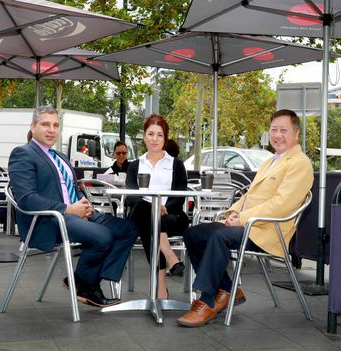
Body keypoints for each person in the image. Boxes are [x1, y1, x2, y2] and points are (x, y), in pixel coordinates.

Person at [177, 109, 313, 327]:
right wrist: (232, 213)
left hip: (268, 231)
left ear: (296, 134)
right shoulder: (271, 161)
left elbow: (282, 204)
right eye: (273, 130)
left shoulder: (300, 163)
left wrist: (243, 218)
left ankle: (208, 300)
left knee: (218, 237)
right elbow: (249, 195)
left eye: (283, 130)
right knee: (193, 234)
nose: (277, 135)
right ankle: (228, 290)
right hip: (249, 224)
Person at [8, 105, 139, 308]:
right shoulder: (23, 154)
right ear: (33, 127)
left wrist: (84, 205)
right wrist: (69, 209)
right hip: (49, 220)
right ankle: (86, 285)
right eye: (45, 124)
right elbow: (26, 198)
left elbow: (73, 189)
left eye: (55, 125)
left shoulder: (60, 156)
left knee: (128, 229)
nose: (51, 130)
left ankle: (85, 281)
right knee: (103, 237)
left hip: (74, 214)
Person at [125, 115, 189, 299]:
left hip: (172, 217)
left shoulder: (176, 165)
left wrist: (162, 208)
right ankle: (169, 256)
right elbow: (131, 197)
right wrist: (153, 206)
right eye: (150, 134)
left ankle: (160, 286)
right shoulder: (135, 166)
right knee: (145, 212)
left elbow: (180, 197)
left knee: (150, 223)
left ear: (165, 138)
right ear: (144, 136)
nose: (154, 139)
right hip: (142, 215)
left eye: (159, 135)